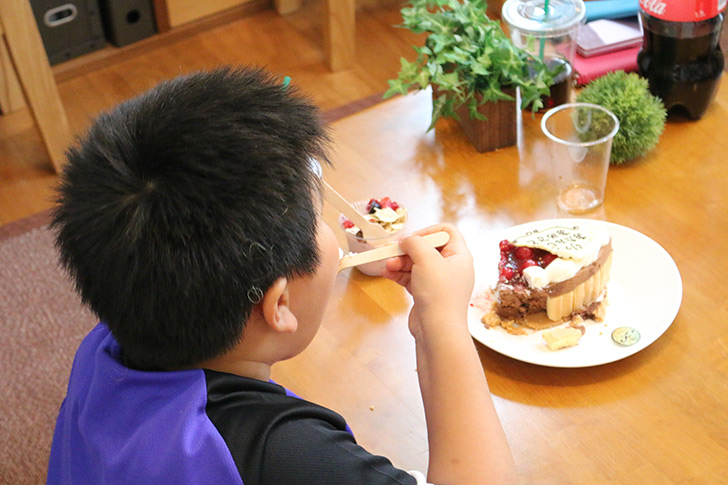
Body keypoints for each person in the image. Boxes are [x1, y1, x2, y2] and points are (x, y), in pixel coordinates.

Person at [47, 66, 516, 485]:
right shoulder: (286, 455)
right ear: (279, 305)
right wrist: (446, 326)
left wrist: (425, 328)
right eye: (320, 216)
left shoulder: (106, 344)